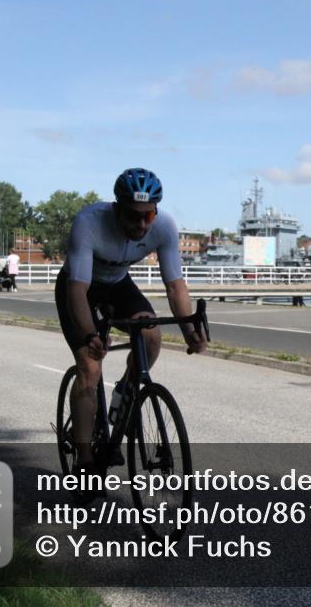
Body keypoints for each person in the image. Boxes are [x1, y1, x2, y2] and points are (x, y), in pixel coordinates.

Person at [55, 168, 207, 476]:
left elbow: (175, 285)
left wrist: (189, 330)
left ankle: (124, 391)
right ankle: (85, 460)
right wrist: (90, 336)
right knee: (90, 368)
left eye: (147, 216)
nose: (141, 225)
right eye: (133, 216)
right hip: (79, 287)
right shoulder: (89, 223)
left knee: (151, 335)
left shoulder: (164, 227)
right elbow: (77, 290)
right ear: (117, 208)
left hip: (117, 284)